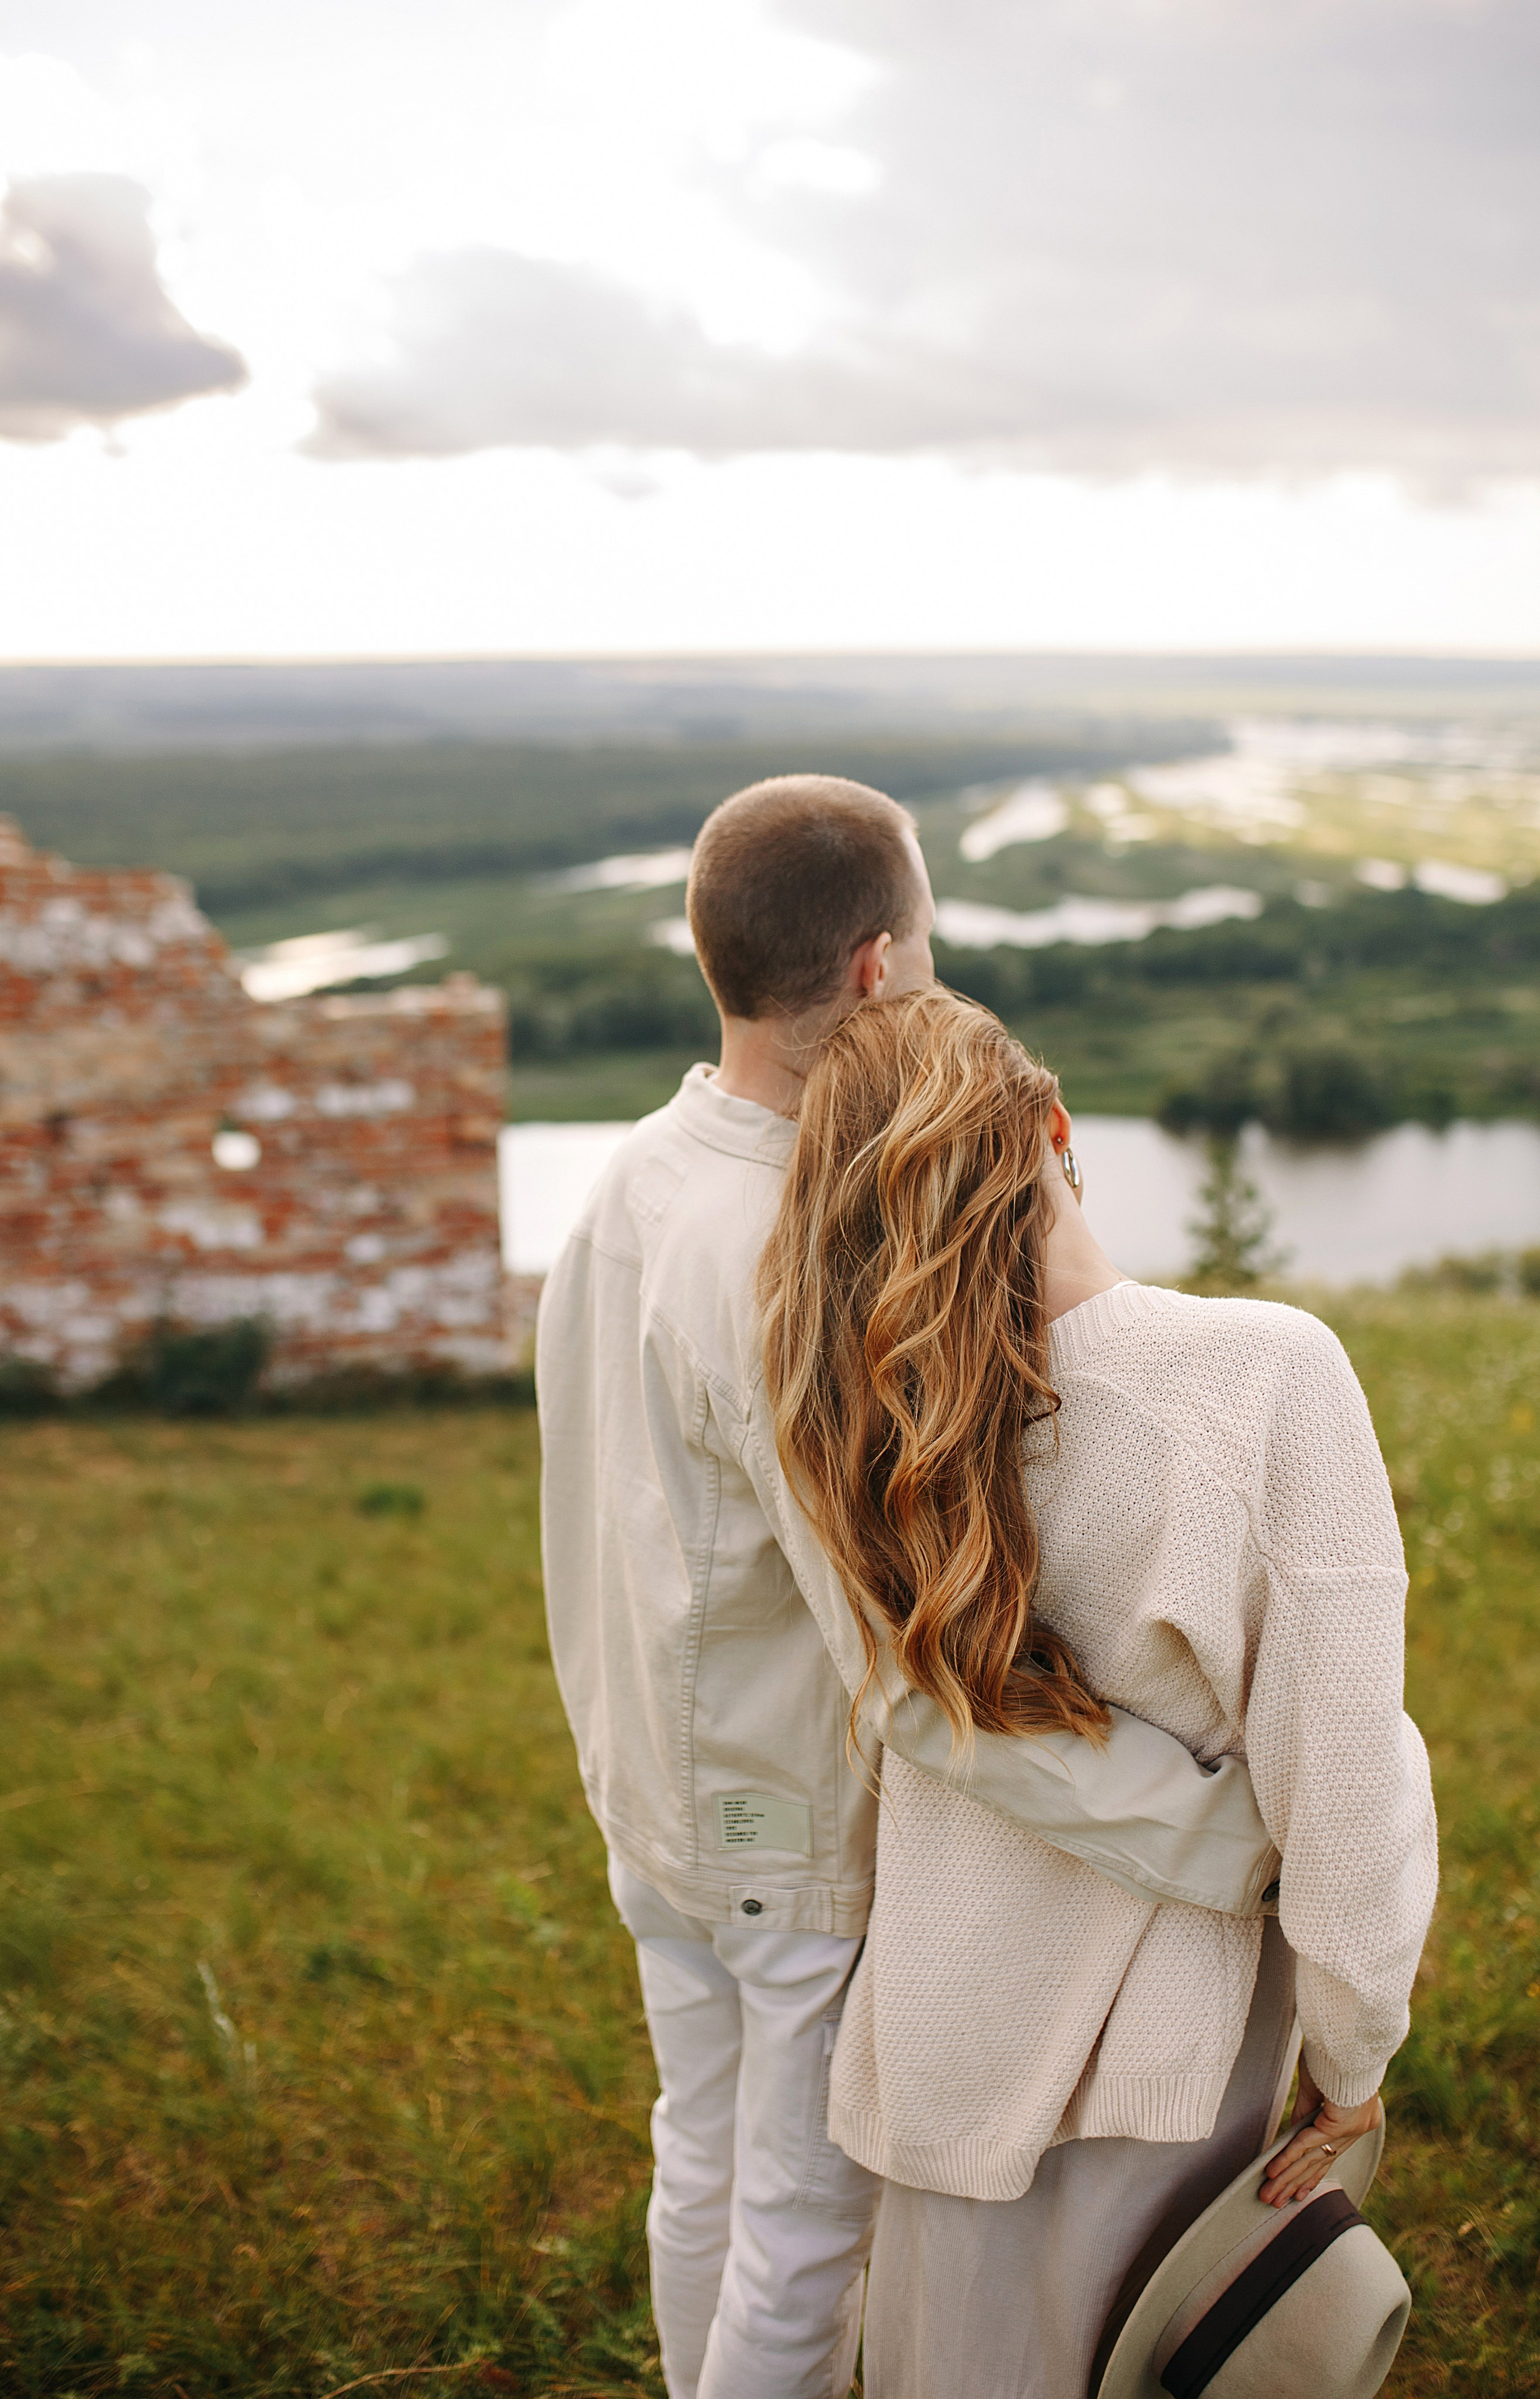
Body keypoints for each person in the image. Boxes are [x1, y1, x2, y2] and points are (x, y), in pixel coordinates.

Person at [536, 776, 1281, 2399]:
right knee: (804, 2244)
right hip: (775, 1828)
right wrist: (1224, 1835)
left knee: (705, 2166)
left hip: (651, 1799)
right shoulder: (789, 1253)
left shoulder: (632, 1180)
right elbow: (907, 1669)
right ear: (878, 968)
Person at [757, 986, 1439, 2399]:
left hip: (939, 2040)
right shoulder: (1260, 1381)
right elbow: (1345, 1791)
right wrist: (1355, 2054)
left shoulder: (846, 1421)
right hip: (1164, 2083)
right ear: (1052, 1129)